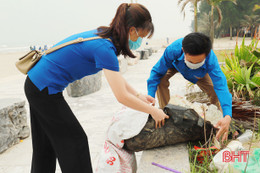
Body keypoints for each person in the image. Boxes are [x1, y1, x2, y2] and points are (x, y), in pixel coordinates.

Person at [24, 3, 169, 173]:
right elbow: (121, 96)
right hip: (44, 89)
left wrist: (138, 95)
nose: (140, 42)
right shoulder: (105, 48)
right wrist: (153, 111)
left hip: (37, 83)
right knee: (75, 142)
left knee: (45, 145)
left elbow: (117, 77)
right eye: (142, 36)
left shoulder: (104, 37)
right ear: (132, 31)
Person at [147, 32, 232, 142]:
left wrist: (228, 115)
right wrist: (150, 96)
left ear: (206, 55)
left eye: (198, 61)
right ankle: (167, 113)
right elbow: (156, 73)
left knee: (214, 89)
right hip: (176, 65)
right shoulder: (173, 50)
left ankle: (217, 121)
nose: (194, 63)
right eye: (191, 61)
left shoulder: (211, 60)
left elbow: (221, 86)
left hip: (200, 73)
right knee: (161, 79)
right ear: (183, 50)